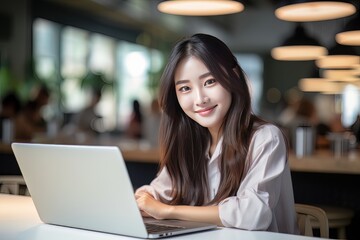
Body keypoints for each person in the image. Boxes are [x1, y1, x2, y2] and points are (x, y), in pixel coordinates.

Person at [135, 33, 299, 234]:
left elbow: (254, 214)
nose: (200, 99)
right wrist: (144, 199)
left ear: (234, 77)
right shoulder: (188, 140)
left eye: (210, 81)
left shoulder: (266, 137)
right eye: (185, 88)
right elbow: (157, 192)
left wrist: (169, 211)